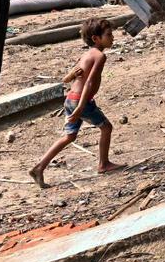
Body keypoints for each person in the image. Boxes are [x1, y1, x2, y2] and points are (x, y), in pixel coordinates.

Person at [29, 17, 123, 188]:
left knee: (69, 136)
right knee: (106, 127)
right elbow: (89, 82)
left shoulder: (86, 54)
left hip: (70, 98)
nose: (113, 37)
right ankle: (104, 164)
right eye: (109, 34)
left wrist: (73, 77)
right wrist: (81, 107)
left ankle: (39, 167)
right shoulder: (100, 56)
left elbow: (67, 78)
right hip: (81, 101)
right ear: (96, 38)